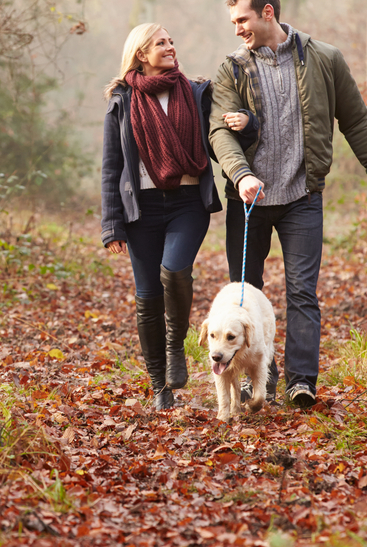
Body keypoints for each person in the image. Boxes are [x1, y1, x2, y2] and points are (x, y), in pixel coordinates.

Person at [209, 0, 367, 409]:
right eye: (234, 23)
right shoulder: (232, 70)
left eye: (243, 20)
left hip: (302, 198)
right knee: (245, 295)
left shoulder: (324, 59)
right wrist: (240, 175)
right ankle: (251, 382)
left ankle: (300, 382)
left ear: (268, 13)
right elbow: (219, 132)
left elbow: (356, 121)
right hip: (249, 201)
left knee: (302, 293)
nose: (238, 29)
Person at [101, 23, 253, 410]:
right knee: (148, 297)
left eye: (171, 41)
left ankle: (175, 346)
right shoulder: (122, 99)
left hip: (187, 202)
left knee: (174, 270)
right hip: (141, 210)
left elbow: (222, 139)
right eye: (161, 43)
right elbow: (111, 166)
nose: (170, 47)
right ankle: (159, 387)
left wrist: (245, 128)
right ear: (141, 54)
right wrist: (112, 223)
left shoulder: (196, 92)